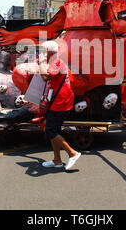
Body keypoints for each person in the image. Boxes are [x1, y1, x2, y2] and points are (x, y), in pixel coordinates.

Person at [38, 41, 81, 170]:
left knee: (50, 130)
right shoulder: (55, 61)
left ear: (48, 52)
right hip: (59, 100)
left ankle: (72, 153)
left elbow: (45, 77)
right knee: (53, 130)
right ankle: (57, 160)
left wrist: (41, 62)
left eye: (43, 52)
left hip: (61, 101)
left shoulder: (56, 61)